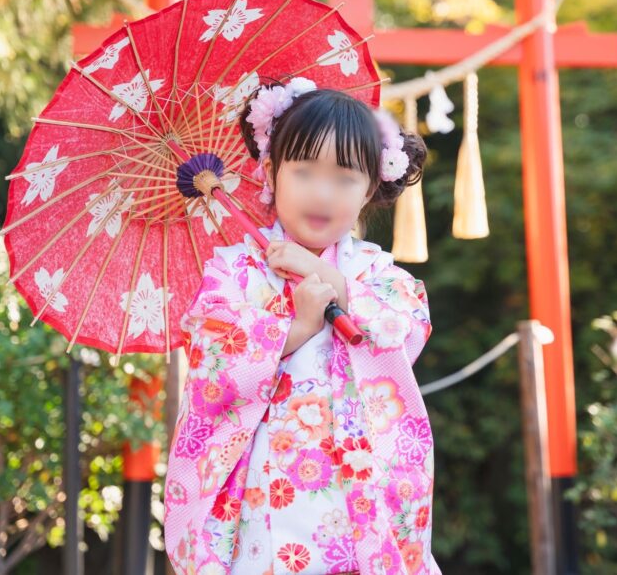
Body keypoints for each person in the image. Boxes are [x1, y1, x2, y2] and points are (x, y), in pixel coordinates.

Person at [163, 78, 439, 575]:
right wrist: (300, 325)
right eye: (305, 171)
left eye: (344, 178)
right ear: (271, 172)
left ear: (370, 186)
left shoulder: (375, 273)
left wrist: (325, 276)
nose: (321, 193)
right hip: (265, 490)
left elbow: (407, 329)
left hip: (359, 486)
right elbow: (214, 366)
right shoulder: (234, 272)